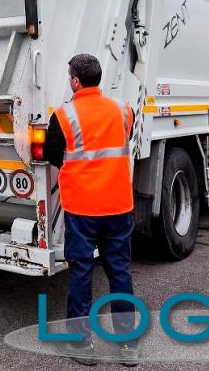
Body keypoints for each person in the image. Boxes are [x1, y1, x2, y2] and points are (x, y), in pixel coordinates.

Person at [43, 53, 138, 367]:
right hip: (118, 206)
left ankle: (81, 344)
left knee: (82, 274)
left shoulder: (63, 115)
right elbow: (127, 138)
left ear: (74, 80)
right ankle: (127, 346)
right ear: (97, 78)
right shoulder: (123, 110)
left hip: (82, 209)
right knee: (119, 273)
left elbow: (52, 155)